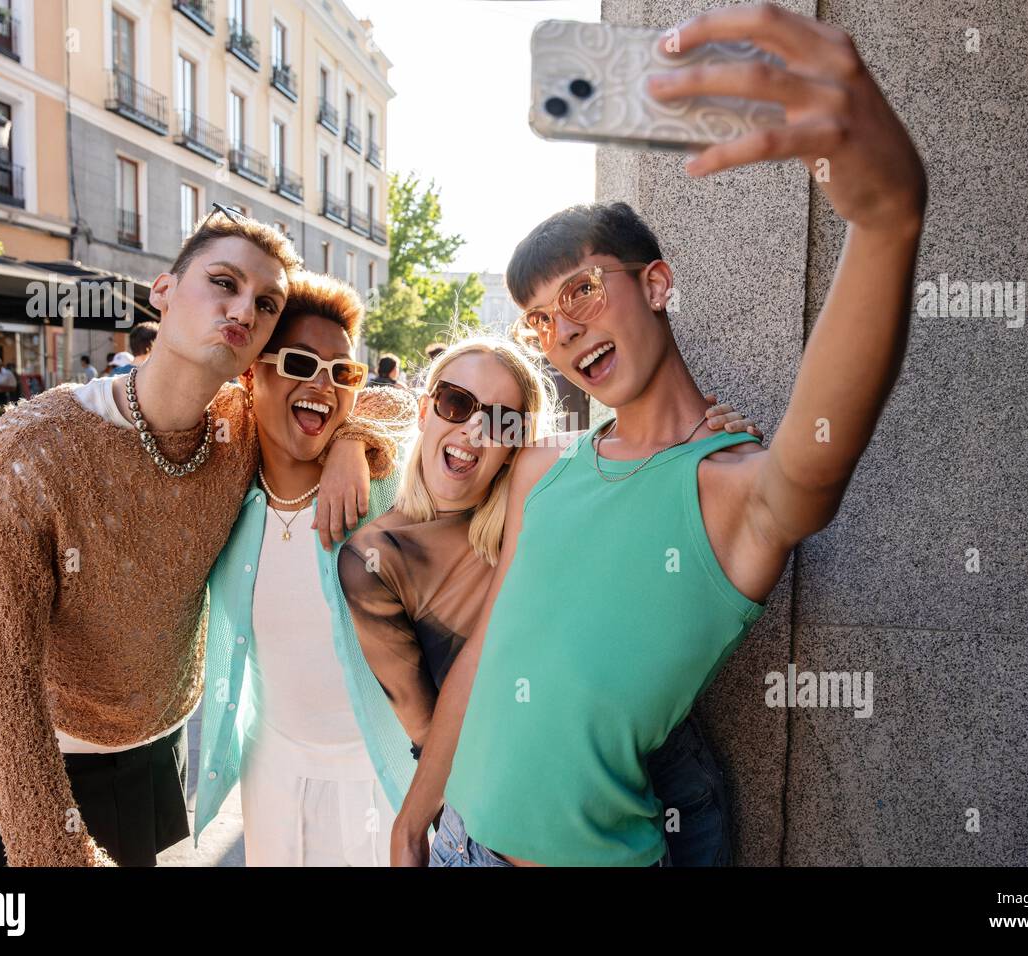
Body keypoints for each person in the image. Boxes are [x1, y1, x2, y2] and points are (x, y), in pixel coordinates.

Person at [391, 4, 927, 867]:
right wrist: (413, 817)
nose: (563, 329)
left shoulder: (732, 489)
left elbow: (819, 450)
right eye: (539, 320)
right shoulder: (541, 471)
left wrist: (886, 221)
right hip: (456, 845)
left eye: (583, 290)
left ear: (657, 282)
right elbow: (488, 655)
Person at [0, 205, 413, 867]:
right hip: (40, 764)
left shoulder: (241, 429)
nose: (241, 310)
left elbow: (387, 401)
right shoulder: (32, 448)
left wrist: (351, 442)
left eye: (264, 304)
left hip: (156, 756)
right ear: (164, 291)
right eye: (223, 282)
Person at [340, 335, 761, 866]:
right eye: (455, 403)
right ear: (427, 409)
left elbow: (645, 451)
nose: (473, 430)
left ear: (520, 440)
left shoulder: (554, 490)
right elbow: (431, 731)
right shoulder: (378, 556)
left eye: (500, 421)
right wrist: (347, 443)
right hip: (513, 817)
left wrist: (707, 433)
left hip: (666, 780)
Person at [195, 271, 418, 866]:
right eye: (299, 363)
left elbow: (420, 420)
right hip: (271, 772)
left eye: (342, 372)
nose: (323, 384)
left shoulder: (388, 489)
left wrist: (358, 439)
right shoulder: (223, 495)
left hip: (382, 775)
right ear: (251, 371)